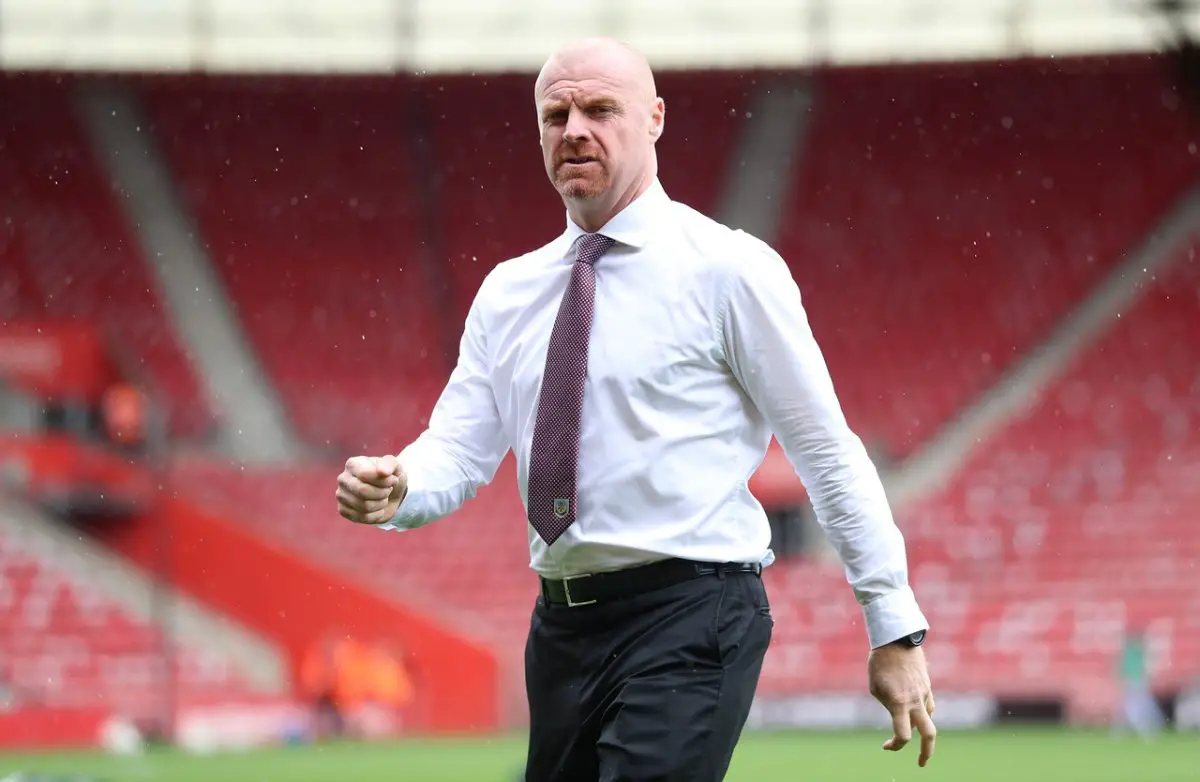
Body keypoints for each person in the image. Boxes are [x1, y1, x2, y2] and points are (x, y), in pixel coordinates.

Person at [336, 36, 936, 780]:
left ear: (654, 118)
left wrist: (893, 624)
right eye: (555, 115)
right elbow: (459, 448)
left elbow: (826, 452)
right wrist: (400, 486)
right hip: (561, 628)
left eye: (600, 110)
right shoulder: (509, 293)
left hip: (693, 613)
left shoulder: (728, 271)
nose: (574, 131)